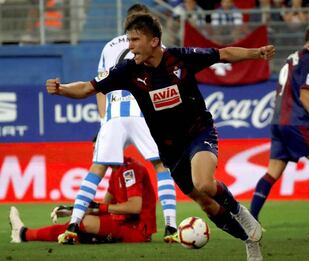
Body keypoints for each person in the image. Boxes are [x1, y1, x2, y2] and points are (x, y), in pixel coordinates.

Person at [46, 13, 276, 261]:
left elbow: (223, 54)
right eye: (129, 40)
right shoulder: (127, 70)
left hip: (198, 132)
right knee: (206, 203)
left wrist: (256, 53)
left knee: (204, 183)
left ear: (154, 41)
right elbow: (88, 87)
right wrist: (62, 90)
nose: (130, 46)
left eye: (135, 40)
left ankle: (239, 211)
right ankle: (248, 241)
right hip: (170, 149)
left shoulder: (180, 58)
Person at [62, 4, 178, 244]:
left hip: (114, 114)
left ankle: (73, 224)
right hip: (142, 113)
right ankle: (171, 228)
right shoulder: (156, 46)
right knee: (161, 167)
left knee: (97, 170)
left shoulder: (109, 46)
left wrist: (104, 119)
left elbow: (98, 86)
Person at [250, 24, 309, 231]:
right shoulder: (308, 62)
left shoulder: (291, 58)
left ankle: (250, 219)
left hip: (278, 123)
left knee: (272, 172)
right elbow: (305, 97)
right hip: (295, 122)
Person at [9, 156, 157, 244]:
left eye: (97, 149)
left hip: (137, 231)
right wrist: (74, 211)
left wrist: (94, 209)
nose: (96, 155)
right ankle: (24, 234)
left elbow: (134, 207)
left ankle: (24, 234)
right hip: (124, 223)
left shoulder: (129, 169)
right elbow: (103, 207)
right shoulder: (115, 171)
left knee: (85, 224)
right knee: (81, 221)